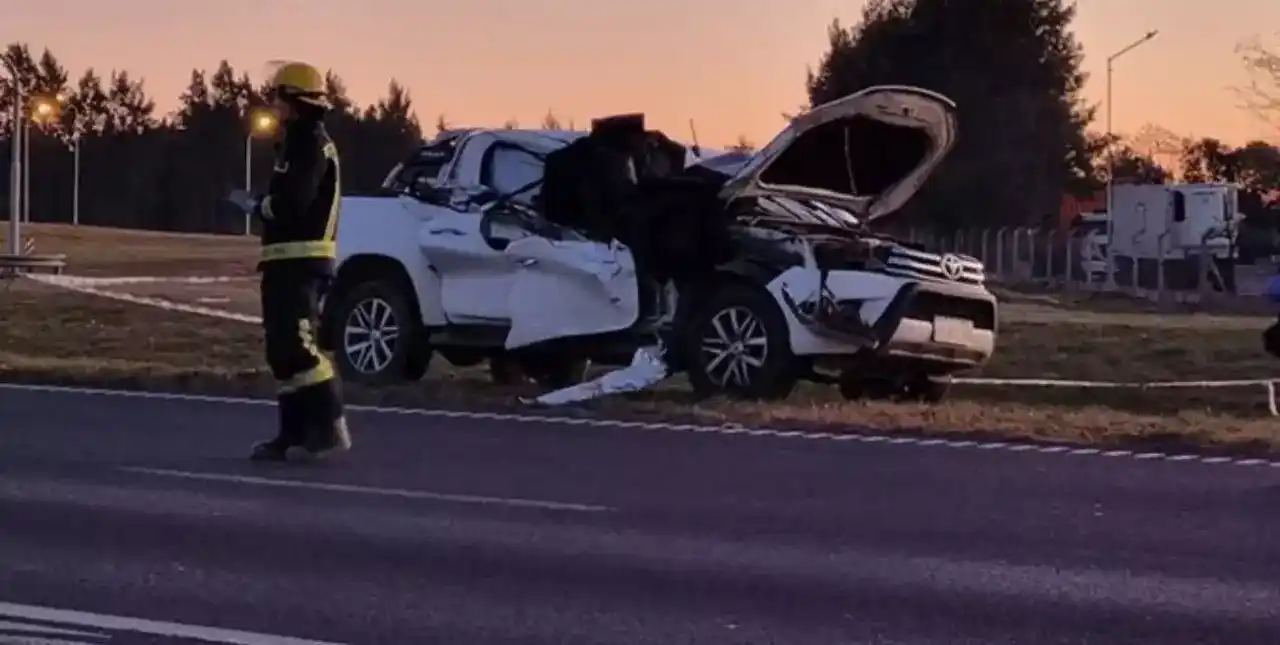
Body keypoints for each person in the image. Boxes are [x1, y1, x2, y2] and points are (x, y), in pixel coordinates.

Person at [248, 60, 351, 462]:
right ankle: (290, 434)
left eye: (278, 97)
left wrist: (262, 206)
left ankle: (329, 423)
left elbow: (294, 201)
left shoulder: (309, 141)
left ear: (294, 100)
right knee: (282, 351)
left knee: (300, 347)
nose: (274, 106)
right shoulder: (298, 140)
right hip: (285, 260)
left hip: (302, 262)